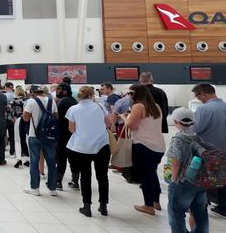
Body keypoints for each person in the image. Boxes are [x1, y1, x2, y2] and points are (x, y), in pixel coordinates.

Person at [66, 86, 111, 217]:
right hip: (102, 145)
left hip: (82, 147)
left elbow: (71, 129)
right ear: (92, 95)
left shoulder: (73, 109)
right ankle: (103, 206)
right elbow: (108, 124)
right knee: (103, 176)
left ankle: (87, 206)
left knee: (85, 176)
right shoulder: (101, 107)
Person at [121, 83, 166, 215]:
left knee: (145, 176)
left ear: (135, 95)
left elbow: (132, 125)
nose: (129, 96)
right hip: (158, 146)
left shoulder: (138, 106)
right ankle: (156, 201)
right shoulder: (156, 106)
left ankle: (148, 205)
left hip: (143, 145)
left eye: (130, 94)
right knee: (152, 173)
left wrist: (124, 117)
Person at [166, 107, 209, 233]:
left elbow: (175, 162)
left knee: (176, 214)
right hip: (200, 181)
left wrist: (174, 181)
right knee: (201, 215)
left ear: (176, 121)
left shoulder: (178, 139)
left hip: (183, 182)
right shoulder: (199, 137)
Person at [191, 83, 226, 218]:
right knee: (223, 177)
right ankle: (224, 206)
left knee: (203, 178)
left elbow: (197, 128)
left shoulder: (204, 109)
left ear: (203, 94)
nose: (198, 99)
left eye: (197, 96)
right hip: (224, 149)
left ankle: (203, 203)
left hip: (207, 150)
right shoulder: (225, 106)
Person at [23, 85, 58, 196]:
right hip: (49, 136)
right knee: (52, 162)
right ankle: (53, 189)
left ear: (32, 92)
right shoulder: (51, 101)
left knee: (34, 161)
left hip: (35, 135)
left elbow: (26, 118)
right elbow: (56, 117)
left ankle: (35, 188)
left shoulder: (31, 101)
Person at [56, 82, 79, 191]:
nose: (56, 91)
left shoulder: (62, 101)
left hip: (62, 133)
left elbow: (57, 117)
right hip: (73, 134)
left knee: (61, 158)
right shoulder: (74, 101)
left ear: (64, 90)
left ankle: (58, 181)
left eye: (58, 89)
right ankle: (75, 180)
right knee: (73, 158)